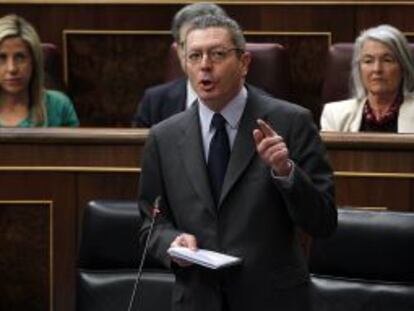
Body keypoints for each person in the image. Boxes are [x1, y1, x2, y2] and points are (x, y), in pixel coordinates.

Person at [138, 14, 337, 311]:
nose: (205, 64)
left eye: (217, 54)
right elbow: (150, 224)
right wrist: (173, 241)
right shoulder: (163, 137)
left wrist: (286, 173)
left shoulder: (291, 122)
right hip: (197, 300)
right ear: (185, 65)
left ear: (244, 63)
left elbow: (323, 221)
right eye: (194, 55)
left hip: (272, 300)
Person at [131, 2, 227, 127]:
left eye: (215, 50)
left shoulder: (256, 104)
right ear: (178, 51)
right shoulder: (154, 103)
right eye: (192, 48)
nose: (205, 63)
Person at [320, 24, 414, 132]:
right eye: (368, 61)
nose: (377, 69)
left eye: (387, 60)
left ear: (403, 67)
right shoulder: (335, 115)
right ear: (359, 69)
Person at [0, 14, 79, 127]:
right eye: (2, 58)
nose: (12, 68)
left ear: (34, 61)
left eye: (20, 57)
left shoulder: (59, 107)